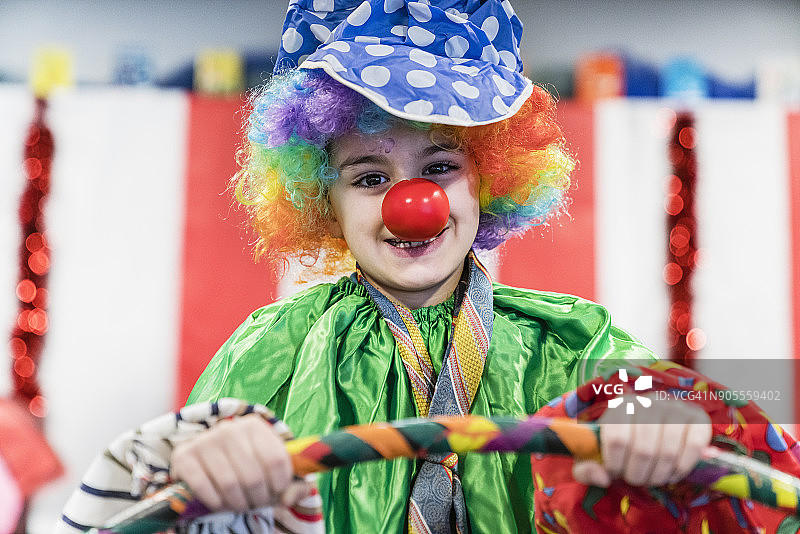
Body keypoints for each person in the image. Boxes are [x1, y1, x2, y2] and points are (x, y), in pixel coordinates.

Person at [58, 1, 795, 533]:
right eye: (371, 178)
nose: (412, 203)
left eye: (440, 166)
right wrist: (211, 462)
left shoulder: (571, 343)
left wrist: (666, 419)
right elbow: (157, 501)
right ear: (323, 198)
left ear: (492, 180)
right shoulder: (272, 348)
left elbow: (714, 436)